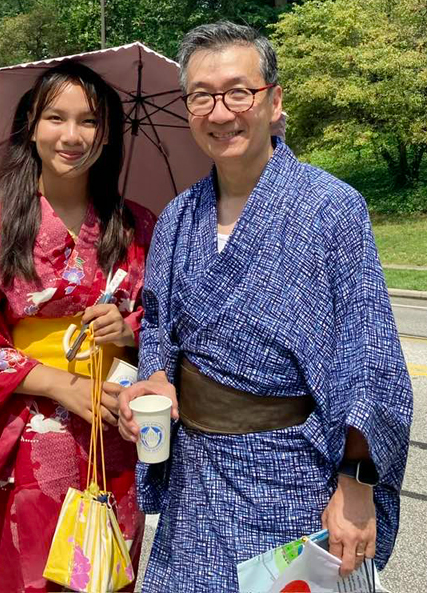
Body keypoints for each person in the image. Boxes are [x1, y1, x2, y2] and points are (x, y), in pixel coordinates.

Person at [118, 21, 413, 592]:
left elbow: (369, 354)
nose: (220, 111)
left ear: (274, 102)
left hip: (290, 477)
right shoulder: (178, 216)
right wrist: (153, 379)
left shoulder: (331, 208)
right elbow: (157, 324)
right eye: (201, 95)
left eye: (238, 92)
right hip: (196, 483)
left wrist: (355, 484)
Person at [0, 61, 156, 593]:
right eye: (56, 117)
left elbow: (176, 321)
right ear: (30, 126)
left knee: (106, 576)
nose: (72, 135)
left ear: (107, 134)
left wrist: (129, 329)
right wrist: (62, 383)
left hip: (114, 432)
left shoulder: (139, 225)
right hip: (32, 435)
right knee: (32, 576)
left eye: (89, 121)